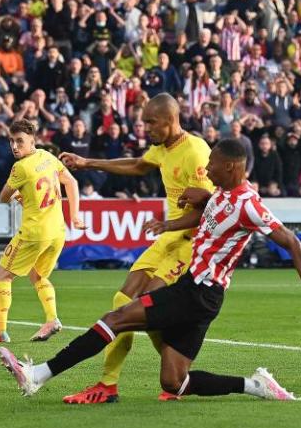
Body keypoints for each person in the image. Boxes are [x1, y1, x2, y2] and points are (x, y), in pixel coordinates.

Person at [0, 138, 301, 401]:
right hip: (201, 295)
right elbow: (211, 210)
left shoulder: (250, 204)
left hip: (198, 292)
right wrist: (198, 201)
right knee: (174, 381)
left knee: (117, 317)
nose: (207, 168)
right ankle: (255, 385)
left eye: (212, 164)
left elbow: (293, 242)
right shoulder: (220, 192)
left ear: (231, 167)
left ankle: (38, 374)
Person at [58, 93, 214, 404]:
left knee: (149, 307)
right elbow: (139, 165)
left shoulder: (195, 151)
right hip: (169, 238)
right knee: (124, 300)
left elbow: (210, 207)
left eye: (150, 122)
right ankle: (109, 385)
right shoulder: (162, 148)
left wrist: (170, 225)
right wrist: (88, 163)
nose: (144, 128)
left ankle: (175, 376)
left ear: (170, 121)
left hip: (191, 242)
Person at [0, 118, 82, 343]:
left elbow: (4, 197)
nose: (14, 146)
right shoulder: (48, 156)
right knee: (37, 275)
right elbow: (71, 183)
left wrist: (15, 195)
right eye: (12, 141)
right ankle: (52, 319)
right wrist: (75, 216)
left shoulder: (20, 167)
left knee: (4, 275)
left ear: (32, 141)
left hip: (34, 233)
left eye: (20, 141)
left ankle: (0, 331)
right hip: (58, 232)